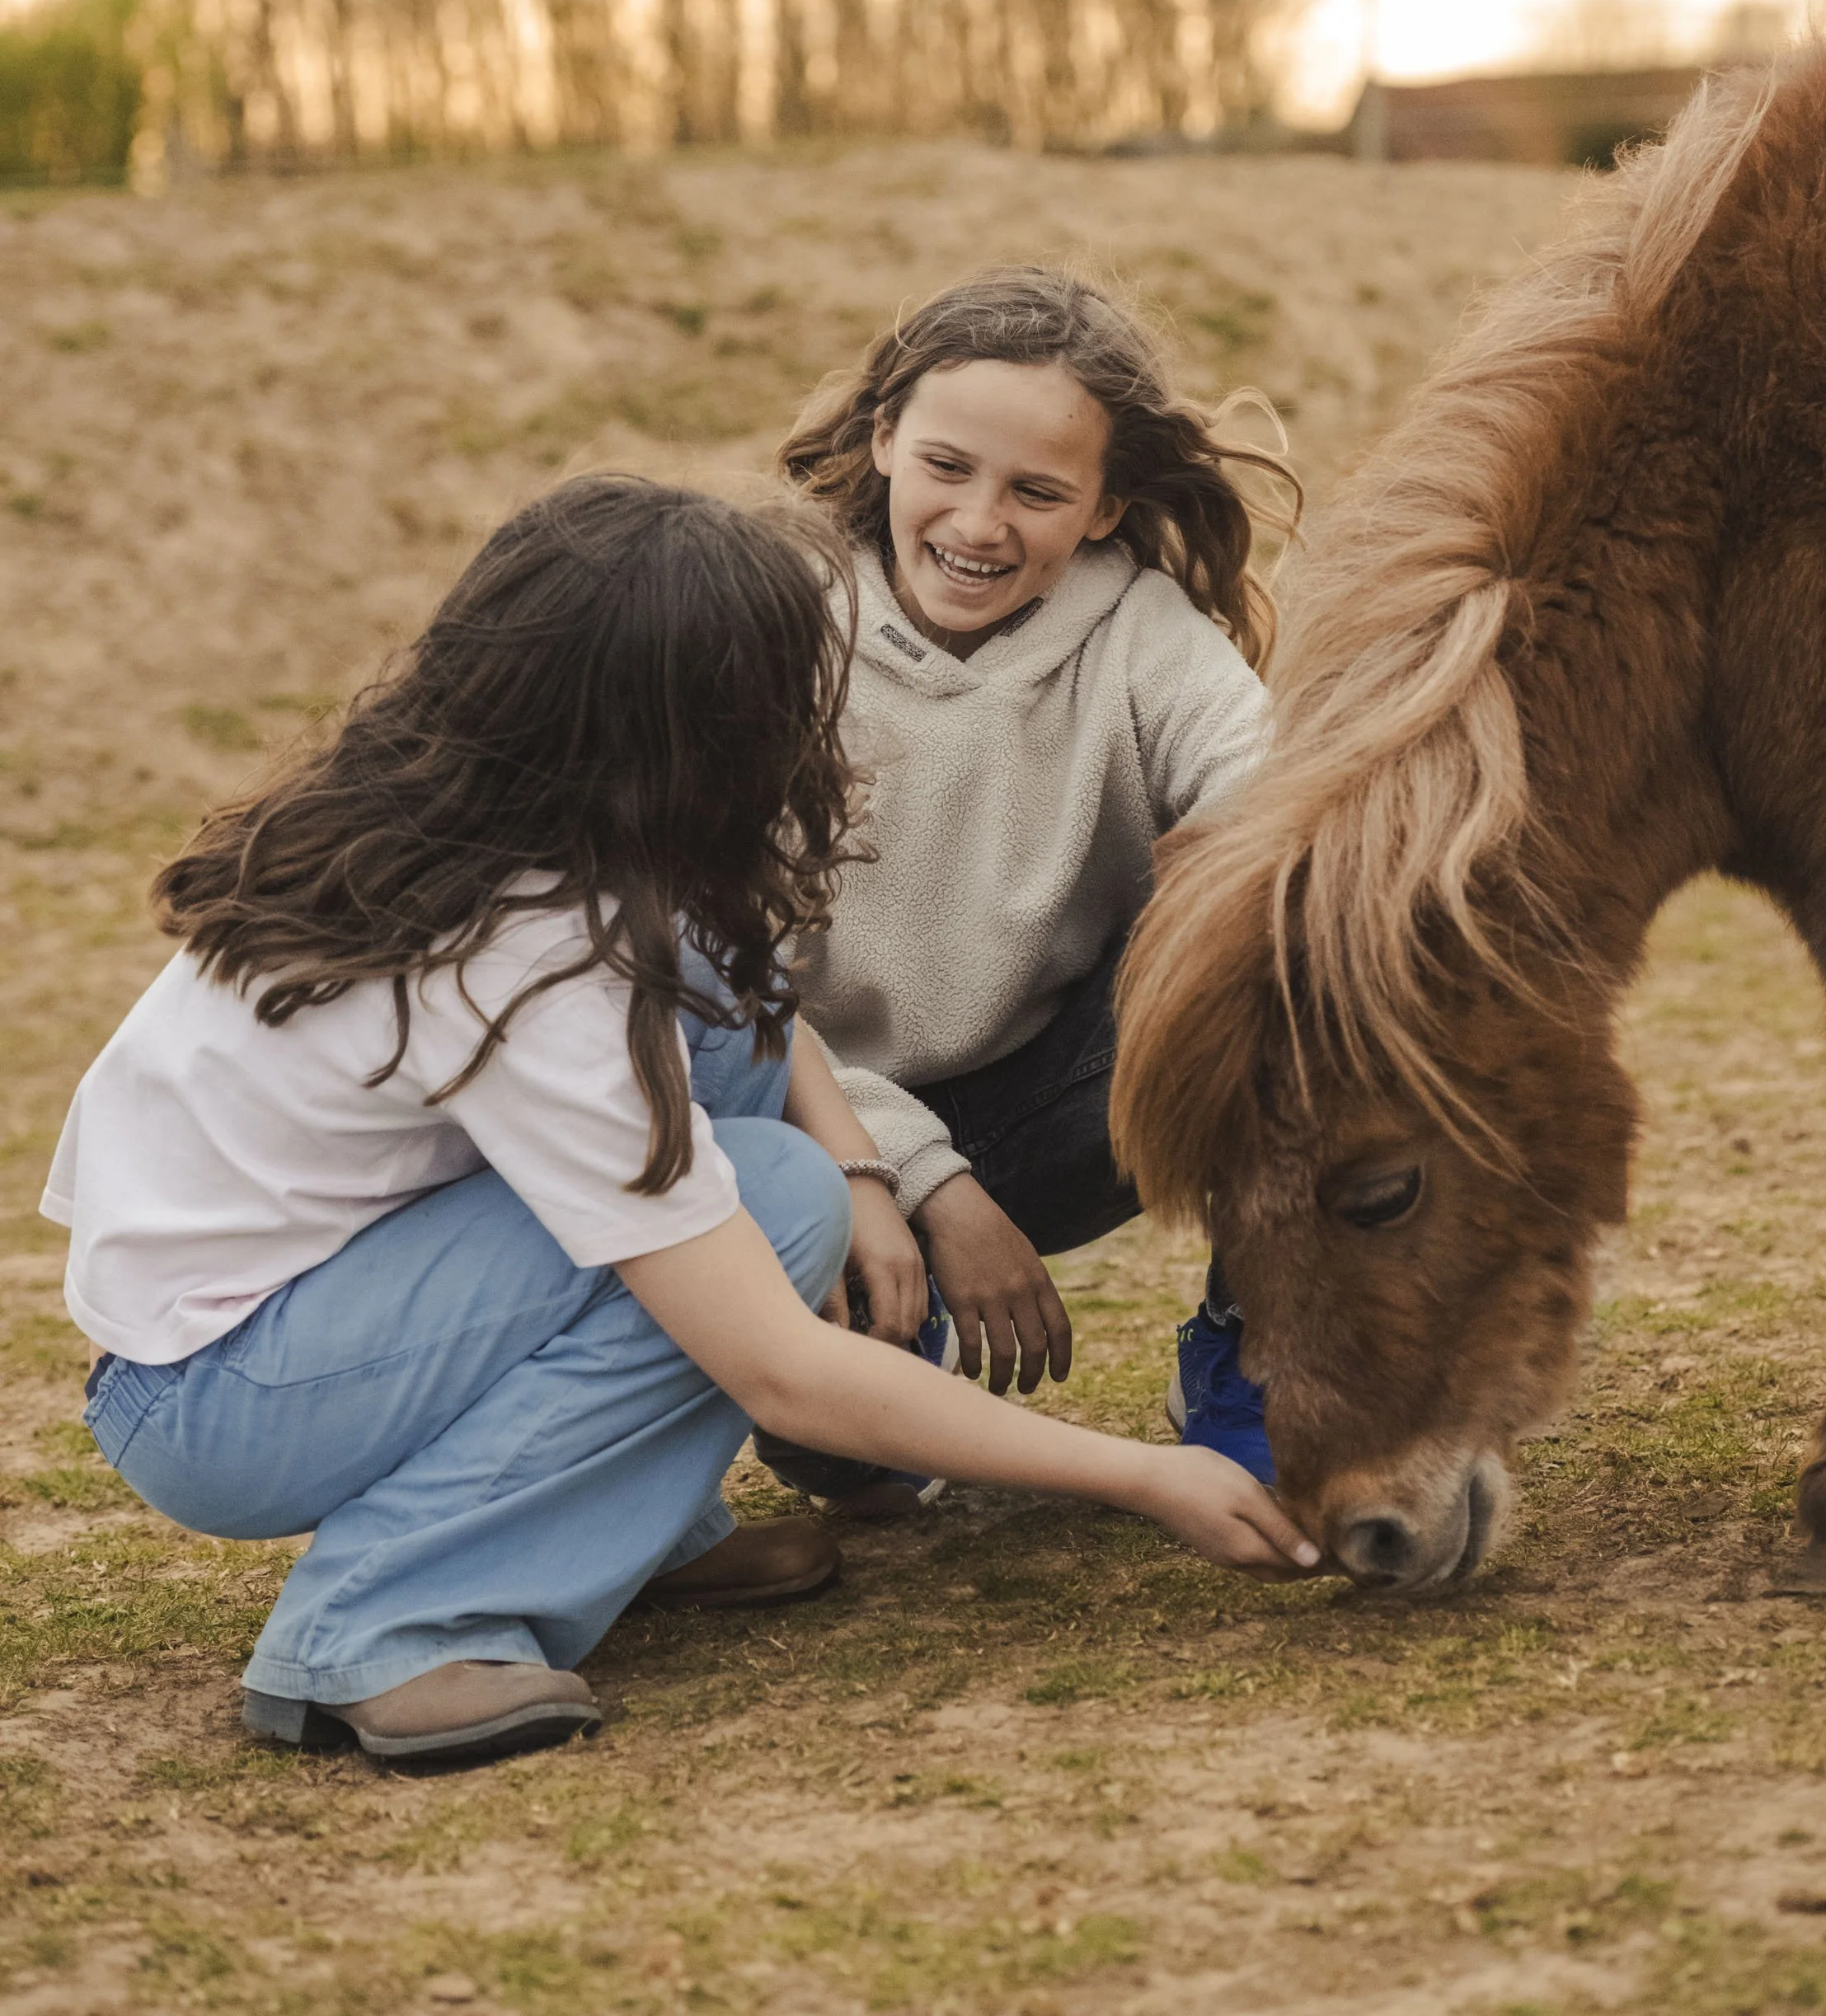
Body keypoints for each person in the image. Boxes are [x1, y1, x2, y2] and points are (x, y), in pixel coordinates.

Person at [44, 476, 1314, 1772]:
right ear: (685, 735)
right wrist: (1142, 1476)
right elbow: (781, 1369)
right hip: (225, 1395)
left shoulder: (494, 825)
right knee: (768, 1204)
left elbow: (746, 1005)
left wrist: (877, 1170)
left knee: (759, 1105)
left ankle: (616, 1529)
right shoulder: (524, 959)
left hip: (274, 1314)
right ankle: (386, 1628)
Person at [763, 268, 1295, 1515]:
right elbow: (708, 986)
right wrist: (916, 1180)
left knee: (1295, 928)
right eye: (948, 466)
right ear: (885, 437)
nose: (981, 523)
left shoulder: (1146, 635)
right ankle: (903, 1359)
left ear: (1105, 506)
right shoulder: (766, 630)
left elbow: (1278, 808)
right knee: (854, 1464)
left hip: (1074, 1097)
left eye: (1038, 491)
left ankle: (1257, 1339)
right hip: (814, 1130)